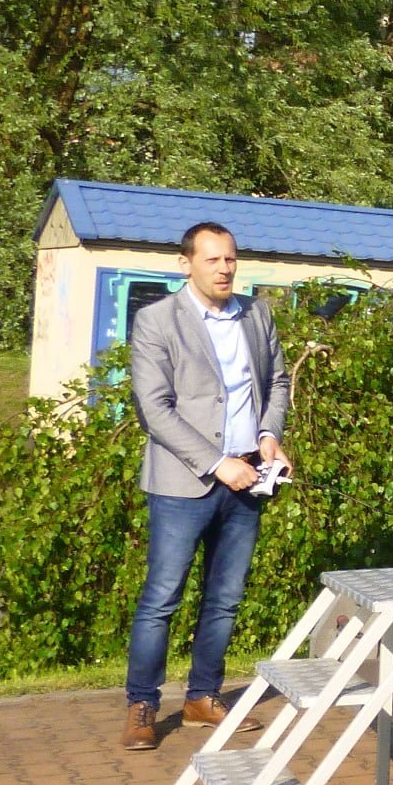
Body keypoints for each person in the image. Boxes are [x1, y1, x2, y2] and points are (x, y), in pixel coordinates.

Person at [121, 221, 291, 751]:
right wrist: (218, 463)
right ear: (186, 263)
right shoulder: (156, 320)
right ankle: (142, 705)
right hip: (182, 483)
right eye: (212, 259)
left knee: (225, 598)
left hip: (247, 480)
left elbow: (277, 382)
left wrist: (269, 436)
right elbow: (155, 409)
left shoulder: (257, 314)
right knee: (161, 598)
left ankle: (202, 697)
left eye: (230, 259)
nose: (224, 269)